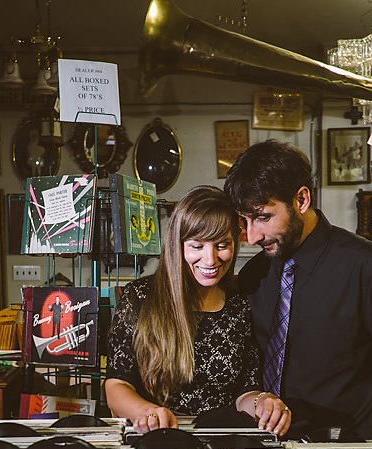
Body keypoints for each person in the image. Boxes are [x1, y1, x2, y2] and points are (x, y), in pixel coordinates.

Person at [224, 140, 372, 439]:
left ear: (301, 200)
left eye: (263, 217)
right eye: (244, 221)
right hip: (265, 447)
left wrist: (362, 442)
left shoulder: (371, 267)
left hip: (346, 448)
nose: (252, 236)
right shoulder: (254, 274)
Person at [105, 185, 291, 435]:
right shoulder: (139, 297)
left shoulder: (240, 303)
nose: (210, 259)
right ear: (178, 245)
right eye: (197, 246)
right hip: (157, 437)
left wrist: (262, 403)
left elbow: (244, 393)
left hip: (223, 439)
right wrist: (145, 412)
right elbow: (116, 385)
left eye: (221, 245)